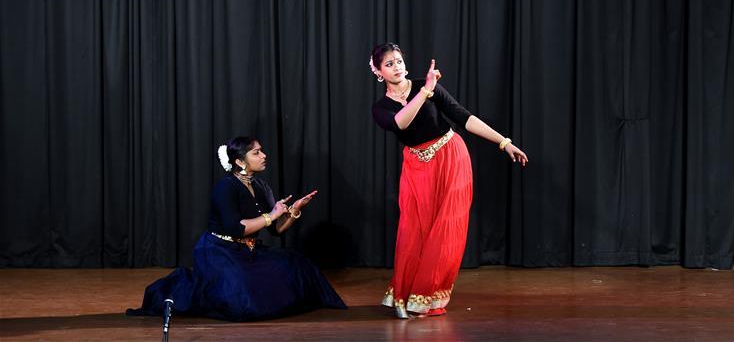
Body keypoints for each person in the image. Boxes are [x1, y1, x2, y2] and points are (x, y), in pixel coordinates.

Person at [370, 43, 528, 319]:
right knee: (413, 230)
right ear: (379, 72)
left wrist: (504, 142)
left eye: (399, 61)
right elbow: (400, 123)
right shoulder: (382, 107)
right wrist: (425, 92)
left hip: (451, 157)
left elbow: (464, 118)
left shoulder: (426, 86)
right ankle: (405, 295)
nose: (397, 67)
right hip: (417, 167)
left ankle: (426, 297)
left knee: (445, 229)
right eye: (389, 64)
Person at [127, 137, 346, 322]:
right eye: (257, 153)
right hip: (219, 250)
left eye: (262, 151)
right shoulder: (226, 187)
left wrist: (294, 211)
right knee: (242, 297)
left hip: (249, 250)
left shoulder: (261, 186)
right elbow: (238, 227)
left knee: (298, 265)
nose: (264, 156)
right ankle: (180, 289)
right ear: (240, 161)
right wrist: (273, 214)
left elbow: (276, 230)